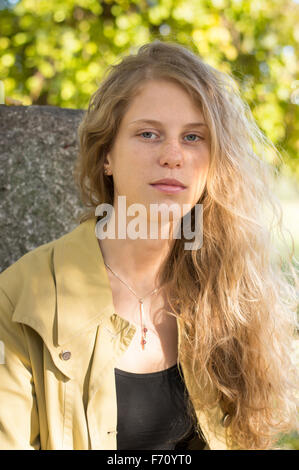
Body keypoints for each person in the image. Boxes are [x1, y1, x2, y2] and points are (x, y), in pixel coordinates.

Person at [0, 40, 298, 451]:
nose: (173, 155)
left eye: (193, 137)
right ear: (106, 154)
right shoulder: (20, 296)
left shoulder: (231, 291)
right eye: (148, 133)